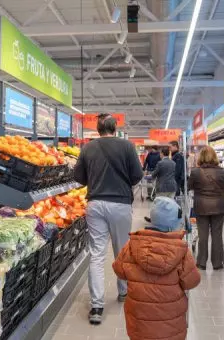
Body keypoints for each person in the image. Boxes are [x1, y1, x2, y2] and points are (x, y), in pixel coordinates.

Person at [73, 113, 144, 325]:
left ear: (98, 129)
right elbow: (137, 175)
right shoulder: (127, 146)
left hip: (95, 204)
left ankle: (96, 306)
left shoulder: (88, 148)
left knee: (96, 254)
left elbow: (78, 177)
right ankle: (123, 292)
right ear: (115, 128)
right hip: (121, 204)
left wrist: (94, 179)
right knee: (122, 250)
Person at [113, 197, 201, 340]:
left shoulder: (132, 245)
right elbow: (192, 281)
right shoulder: (182, 252)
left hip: (139, 323)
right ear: (173, 226)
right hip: (170, 325)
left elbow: (119, 270)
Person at [188, 146, 224, 270]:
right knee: (217, 235)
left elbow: (190, 186)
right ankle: (217, 263)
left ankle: (201, 262)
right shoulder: (221, 172)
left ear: (200, 157)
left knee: (203, 234)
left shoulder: (196, 172)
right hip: (218, 206)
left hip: (201, 207)